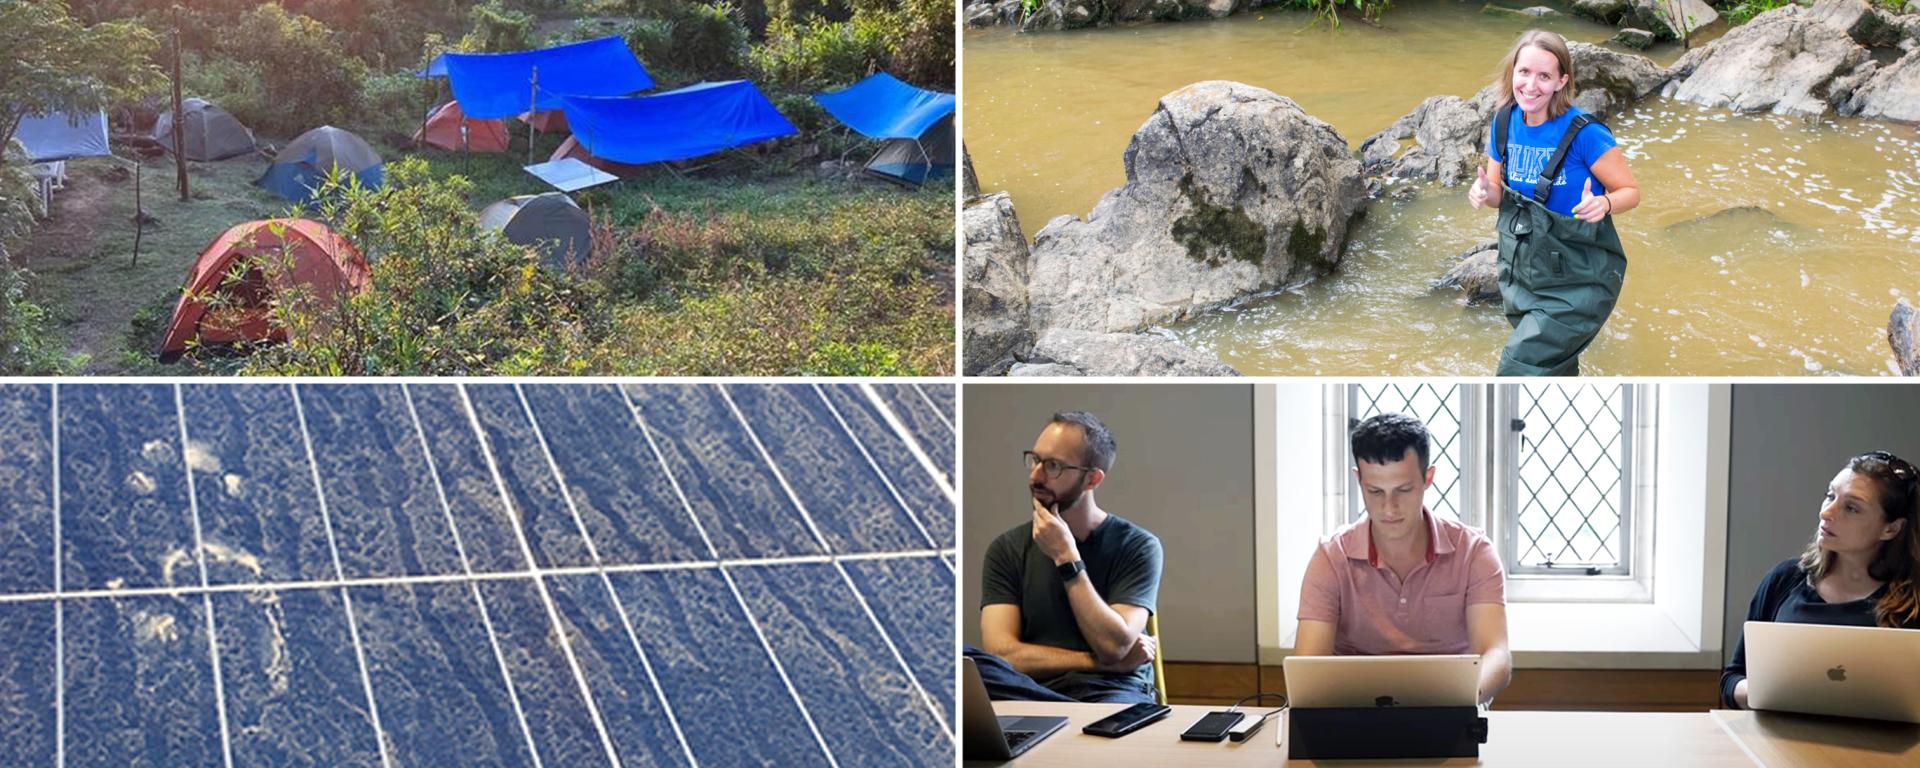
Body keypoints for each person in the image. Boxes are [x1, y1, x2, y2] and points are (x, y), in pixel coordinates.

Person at [1295, 413, 1513, 705]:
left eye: (1404, 490)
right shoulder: (1331, 558)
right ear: (1358, 480)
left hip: (1453, 709)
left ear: (1428, 478)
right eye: (1375, 491)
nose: (1389, 508)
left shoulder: (1474, 552)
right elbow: (1308, 669)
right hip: (1355, 714)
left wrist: (1456, 701)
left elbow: (1496, 656)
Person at [1467, 29, 1642, 377]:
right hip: (1521, 275)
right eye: (1524, 72)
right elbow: (1499, 196)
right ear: (1512, 73)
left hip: (1578, 280)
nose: (1531, 85)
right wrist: (1485, 193)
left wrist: (1605, 205)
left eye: (1544, 76)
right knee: (1553, 371)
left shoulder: (1586, 134)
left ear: (1562, 81)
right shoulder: (1503, 123)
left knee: (1516, 370)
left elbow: (1630, 192)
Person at [968, 411, 1165, 703]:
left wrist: (1066, 556)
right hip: (1032, 692)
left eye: (1053, 466)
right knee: (964, 659)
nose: (1036, 475)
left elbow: (1114, 646)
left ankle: (1066, 721)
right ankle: (1064, 717)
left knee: (1108, 717)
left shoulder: (1138, 545)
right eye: (1035, 460)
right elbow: (1002, 652)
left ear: (1092, 479)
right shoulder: (1006, 548)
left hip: (1111, 690)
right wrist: (1095, 661)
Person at [1721, 451, 1920, 709]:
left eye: (1851, 508)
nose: (1827, 512)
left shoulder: (1914, 602)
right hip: (1780, 740)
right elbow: (1732, 679)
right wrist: (1770, 692)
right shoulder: (1785, 579)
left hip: (1878, 746)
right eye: (1830, 495)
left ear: (1891, 528)